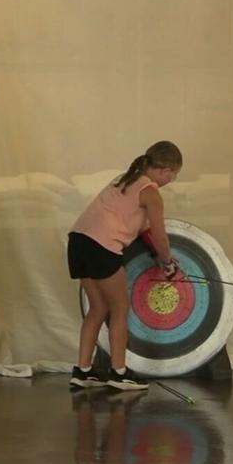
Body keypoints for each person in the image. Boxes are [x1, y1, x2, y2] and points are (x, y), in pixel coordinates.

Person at [67, 141, 183, 390]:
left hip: (77, 242)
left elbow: (139, 226)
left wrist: (158, 252)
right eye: (173, 176)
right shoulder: (151, 192)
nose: (170, 181)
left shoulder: (126, 179)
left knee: (97, 307)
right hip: (101, 247)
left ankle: (82, 371)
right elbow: (160, 236)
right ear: (165, 170)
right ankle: (119, 373)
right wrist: (168, 263)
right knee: (120, 307)